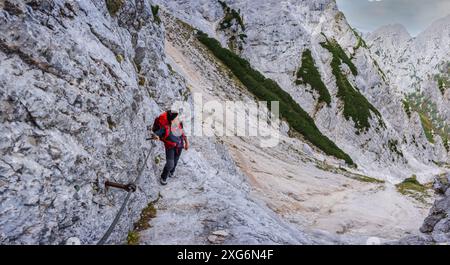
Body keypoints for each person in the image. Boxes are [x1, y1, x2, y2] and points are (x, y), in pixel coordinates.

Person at [152, 110, 189, 185]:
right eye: (177, 118)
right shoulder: (166, 128)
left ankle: (171, 172)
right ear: (172, 121)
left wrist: (186, 142)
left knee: (175, 162)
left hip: (179, 146)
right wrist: (156, 136)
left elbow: (182, 133)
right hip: (170, 147)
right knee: (170, 164)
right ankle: (163, 177)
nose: (179, 119)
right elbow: (156, 134)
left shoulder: (179, 125)